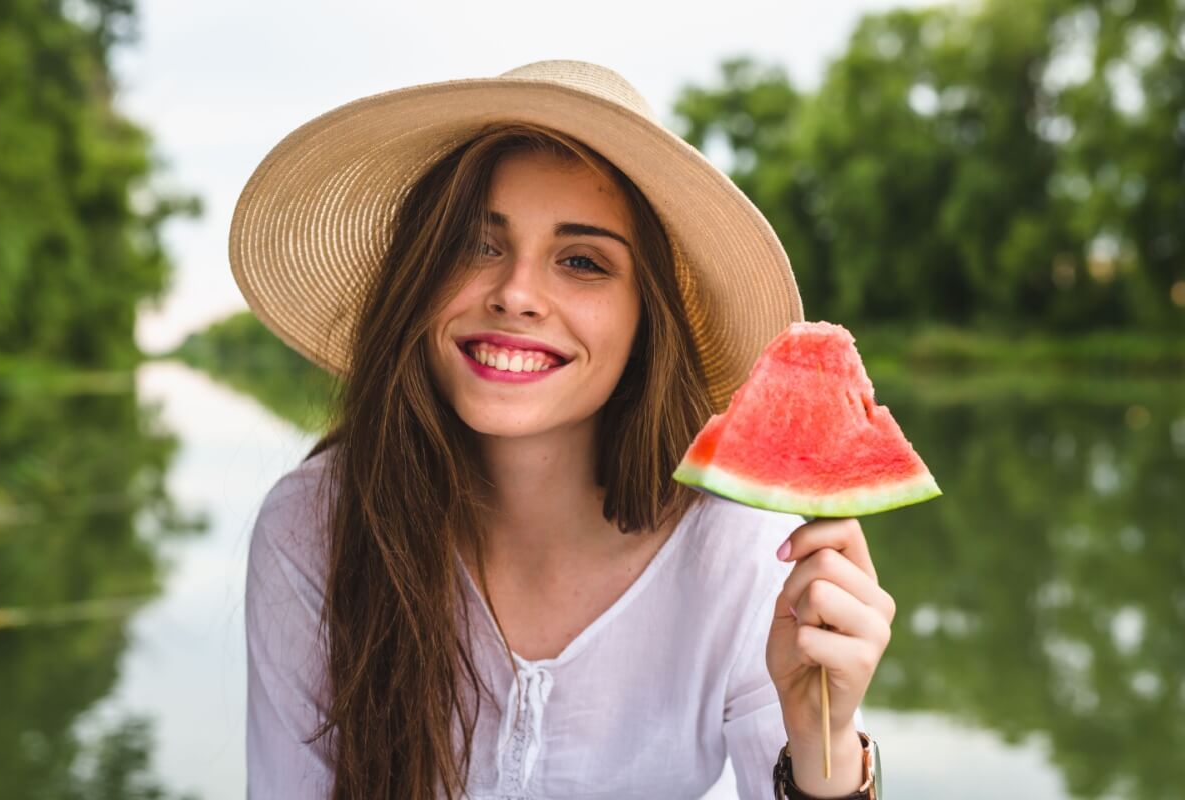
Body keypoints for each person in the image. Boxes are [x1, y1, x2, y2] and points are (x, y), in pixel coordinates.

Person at [232, 60, 894, 800]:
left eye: (582, 261)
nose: (516, 293)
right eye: (475, 246)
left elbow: (814, 759)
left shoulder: (745, 553)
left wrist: (825, 743)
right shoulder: (311, 528)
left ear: (648, 317)